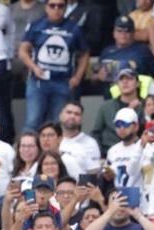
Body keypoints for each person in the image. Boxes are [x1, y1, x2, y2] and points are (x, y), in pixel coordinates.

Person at [18, 0, 89, 131]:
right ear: (46, 7)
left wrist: (78, 77)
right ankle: (27, 144)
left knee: (59, 123)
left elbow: (85, 54)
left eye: (60, 6)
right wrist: (33, 67)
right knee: (33, 121)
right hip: (38, 81)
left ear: (65, 8)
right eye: (52, 5)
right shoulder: (36, 25)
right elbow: (23, 50)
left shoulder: (75, 28)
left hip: (63, 82)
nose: (56, 9)